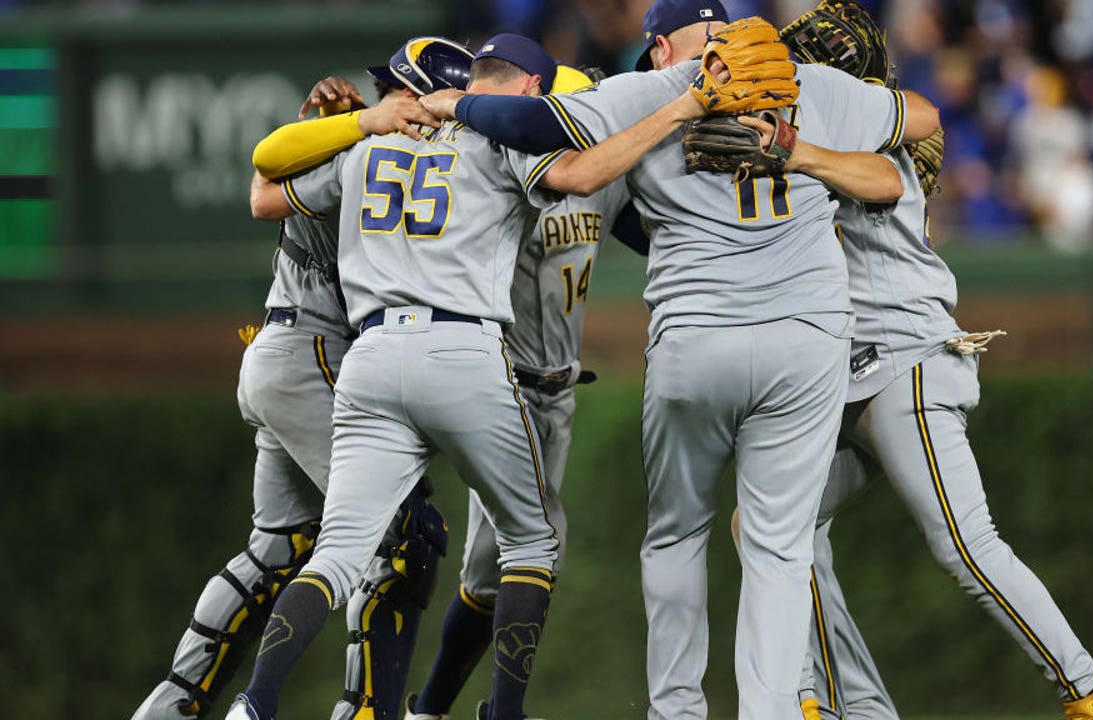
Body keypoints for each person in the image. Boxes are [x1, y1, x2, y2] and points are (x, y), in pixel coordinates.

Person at [412, 5, 939, 718]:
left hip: (696, 338)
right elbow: (924, 118)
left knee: (676, 537)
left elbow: (534, 127)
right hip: (805, 340)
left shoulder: (657, 87)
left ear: (661, 44)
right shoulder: (813, 83)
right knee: (780, 551)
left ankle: (677, 712)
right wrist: (804, 134)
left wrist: (459, 103)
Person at [228, 30, 721, 720]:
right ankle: (504, 712)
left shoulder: (371, 144)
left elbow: (264, 195)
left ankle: (255, 703)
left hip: (371, 358)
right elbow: (579, 177)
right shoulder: (501, 142)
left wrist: (356, 122)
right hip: (464, 353)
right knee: (533, 542)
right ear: (528, 90)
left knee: (335, 558)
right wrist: (677, 110)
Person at [721, 4, 1093, 720]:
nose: (786, 75)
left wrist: (791, 147)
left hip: (905, 363)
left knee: (966, 545)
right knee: (766, 528)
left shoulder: (861, 133)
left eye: (802, 64)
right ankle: (827, 704)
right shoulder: (814, 132)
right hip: (851, 377)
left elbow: (882, 181)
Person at [129, 72, 446, 720]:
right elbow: (263, 189)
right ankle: (360, 711)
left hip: (279, 349)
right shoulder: (388, 157)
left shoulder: (357, 146)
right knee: (409, 535)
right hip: (314, 358)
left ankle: (171, 708)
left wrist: (342, 125)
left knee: (279, 546)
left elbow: (265, 186)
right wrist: (356, 124)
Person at [403, 64, 647, 720]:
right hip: (504, 385)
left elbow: (651, 230)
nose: (574, 121)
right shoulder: (499, 175)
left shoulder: (601, 181)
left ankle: (427, 710)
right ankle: (501, 712)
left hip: (559, 394)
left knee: (489, 576)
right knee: (535, 546)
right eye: (569, 108)